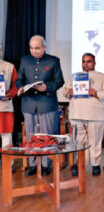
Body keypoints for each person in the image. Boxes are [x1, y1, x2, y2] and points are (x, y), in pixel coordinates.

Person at [16, 35, 64, 176]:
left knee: (46, 135)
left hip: (47, 103)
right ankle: (32, 164)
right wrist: (20, 87)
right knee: (31, 136)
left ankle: (45, 164)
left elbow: (59, 81)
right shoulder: (25, 60)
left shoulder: (54, 60)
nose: (34, 51)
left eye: (37, 48)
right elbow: (19, 79)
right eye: (31, 48)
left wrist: (46, 87)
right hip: (28, 103)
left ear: (44, 47)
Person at [63, 53, 104, 176]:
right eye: (84, 61)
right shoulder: (74, 76)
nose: (86, 63)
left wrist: (95, 92)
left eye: (89, 61)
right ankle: (79, 165)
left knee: (95, 140)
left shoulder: (102, 76)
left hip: (94, 114)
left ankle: (95, 165)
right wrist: (69, 92)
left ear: (94, 63)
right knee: (78, 141)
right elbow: (64, 92)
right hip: (76, 113)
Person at [0, 44, 18, 173]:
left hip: (4, 107)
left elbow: (16, 85)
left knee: (6, 136)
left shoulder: (9, 66)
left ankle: (7, 164)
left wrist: (10, 94)